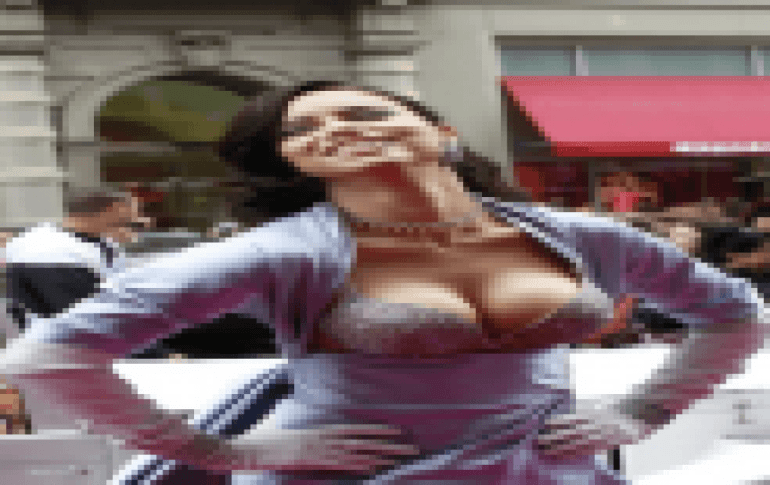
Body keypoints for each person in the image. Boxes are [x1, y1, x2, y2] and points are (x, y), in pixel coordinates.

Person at [0, 80, 766, 485]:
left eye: (362, 111)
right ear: (295, 163)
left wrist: (643, 410)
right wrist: (217, 450)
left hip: (547, 470)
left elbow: (737, 313)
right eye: (301, 131)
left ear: (442, 135)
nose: (333, 129)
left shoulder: (582, 234)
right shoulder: (281, 253)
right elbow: (47, 356)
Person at [3, 187, 147, 336]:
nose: (129, 226)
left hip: (90, 332)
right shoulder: (43, 247)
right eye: (123, 220)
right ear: (106, 212)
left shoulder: (102, 243)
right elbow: (73, 308)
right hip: (59, 336)